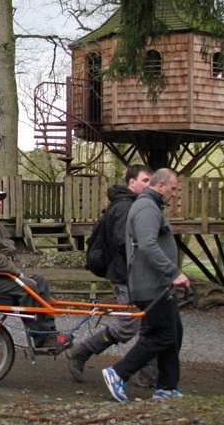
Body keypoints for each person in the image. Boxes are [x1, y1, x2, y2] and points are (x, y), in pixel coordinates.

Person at [102, 168, 191, 402]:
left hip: (158, 283)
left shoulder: (150, 207)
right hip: (150, 284)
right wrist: (174, 273)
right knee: (162, 334)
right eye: (172, 189)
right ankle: (118, 373)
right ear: (160, 185)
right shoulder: (146, 208)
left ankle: (167, 387)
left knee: (173, 333)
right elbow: (148, 245)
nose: (174, 194)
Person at [0, 183, 73, 353]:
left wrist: (19, 274)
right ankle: (42, 340)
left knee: (39, 281)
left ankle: (49, 333)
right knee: (29, 286)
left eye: (0, 199)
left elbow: (3, 251)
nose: (0, 202)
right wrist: (19, 274)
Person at [67, 164, 156, 384]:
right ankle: (82, 351)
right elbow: (122, 242)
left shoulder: (133, 204)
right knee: (127, 327)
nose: (148, 185)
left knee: (152, 321)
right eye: (144, 180)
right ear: (131, 182)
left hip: (136, 275)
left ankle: (149, 373)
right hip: (126, 275)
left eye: (150, 181)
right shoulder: (125, 207)